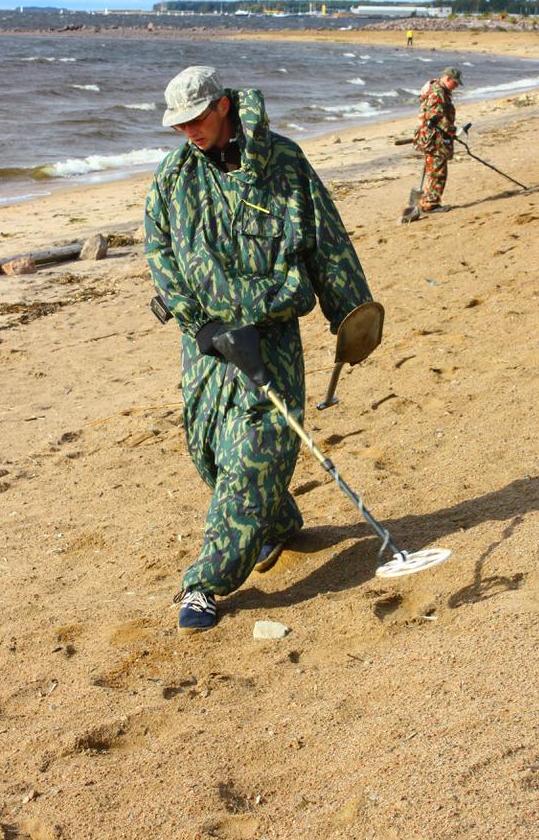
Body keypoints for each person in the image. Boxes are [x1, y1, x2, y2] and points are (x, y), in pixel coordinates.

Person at [144, 65, 375, 634]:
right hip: (205, 344)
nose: (189, 132)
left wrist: (352, 318)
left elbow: (327, 240)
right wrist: (197, 324)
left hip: (268, 339)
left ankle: (205, 583)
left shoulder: (284, 164)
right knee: (210, 452)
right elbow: (160, 250)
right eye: (179, 125)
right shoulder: (173, 176)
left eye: (197, 119)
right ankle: (277, 519)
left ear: (223, 105)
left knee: (252, 454)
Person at [412, 66, 463, 213]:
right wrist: (454, 131)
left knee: (432, 170)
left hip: (431, 137)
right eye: (456, 83)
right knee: (438, 172)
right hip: (435, 138)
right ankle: (430, 204)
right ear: (448, 79)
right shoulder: (438, 93)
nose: (457, 86)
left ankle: (424, 202)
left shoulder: (436, 89)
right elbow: (437, 117)